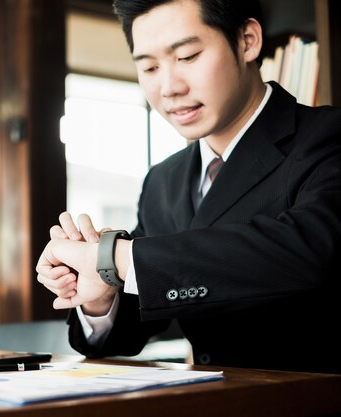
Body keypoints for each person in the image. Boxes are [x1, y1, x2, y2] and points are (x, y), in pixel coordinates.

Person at [36, 0, 341, 374]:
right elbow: (132, 325)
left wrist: (114, 258)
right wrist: (102, 295)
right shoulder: (164, 180)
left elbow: (311, 251)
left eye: (188, 56)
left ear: (247, 41)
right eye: (148, 67)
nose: (169, 88)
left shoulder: (327, 137)